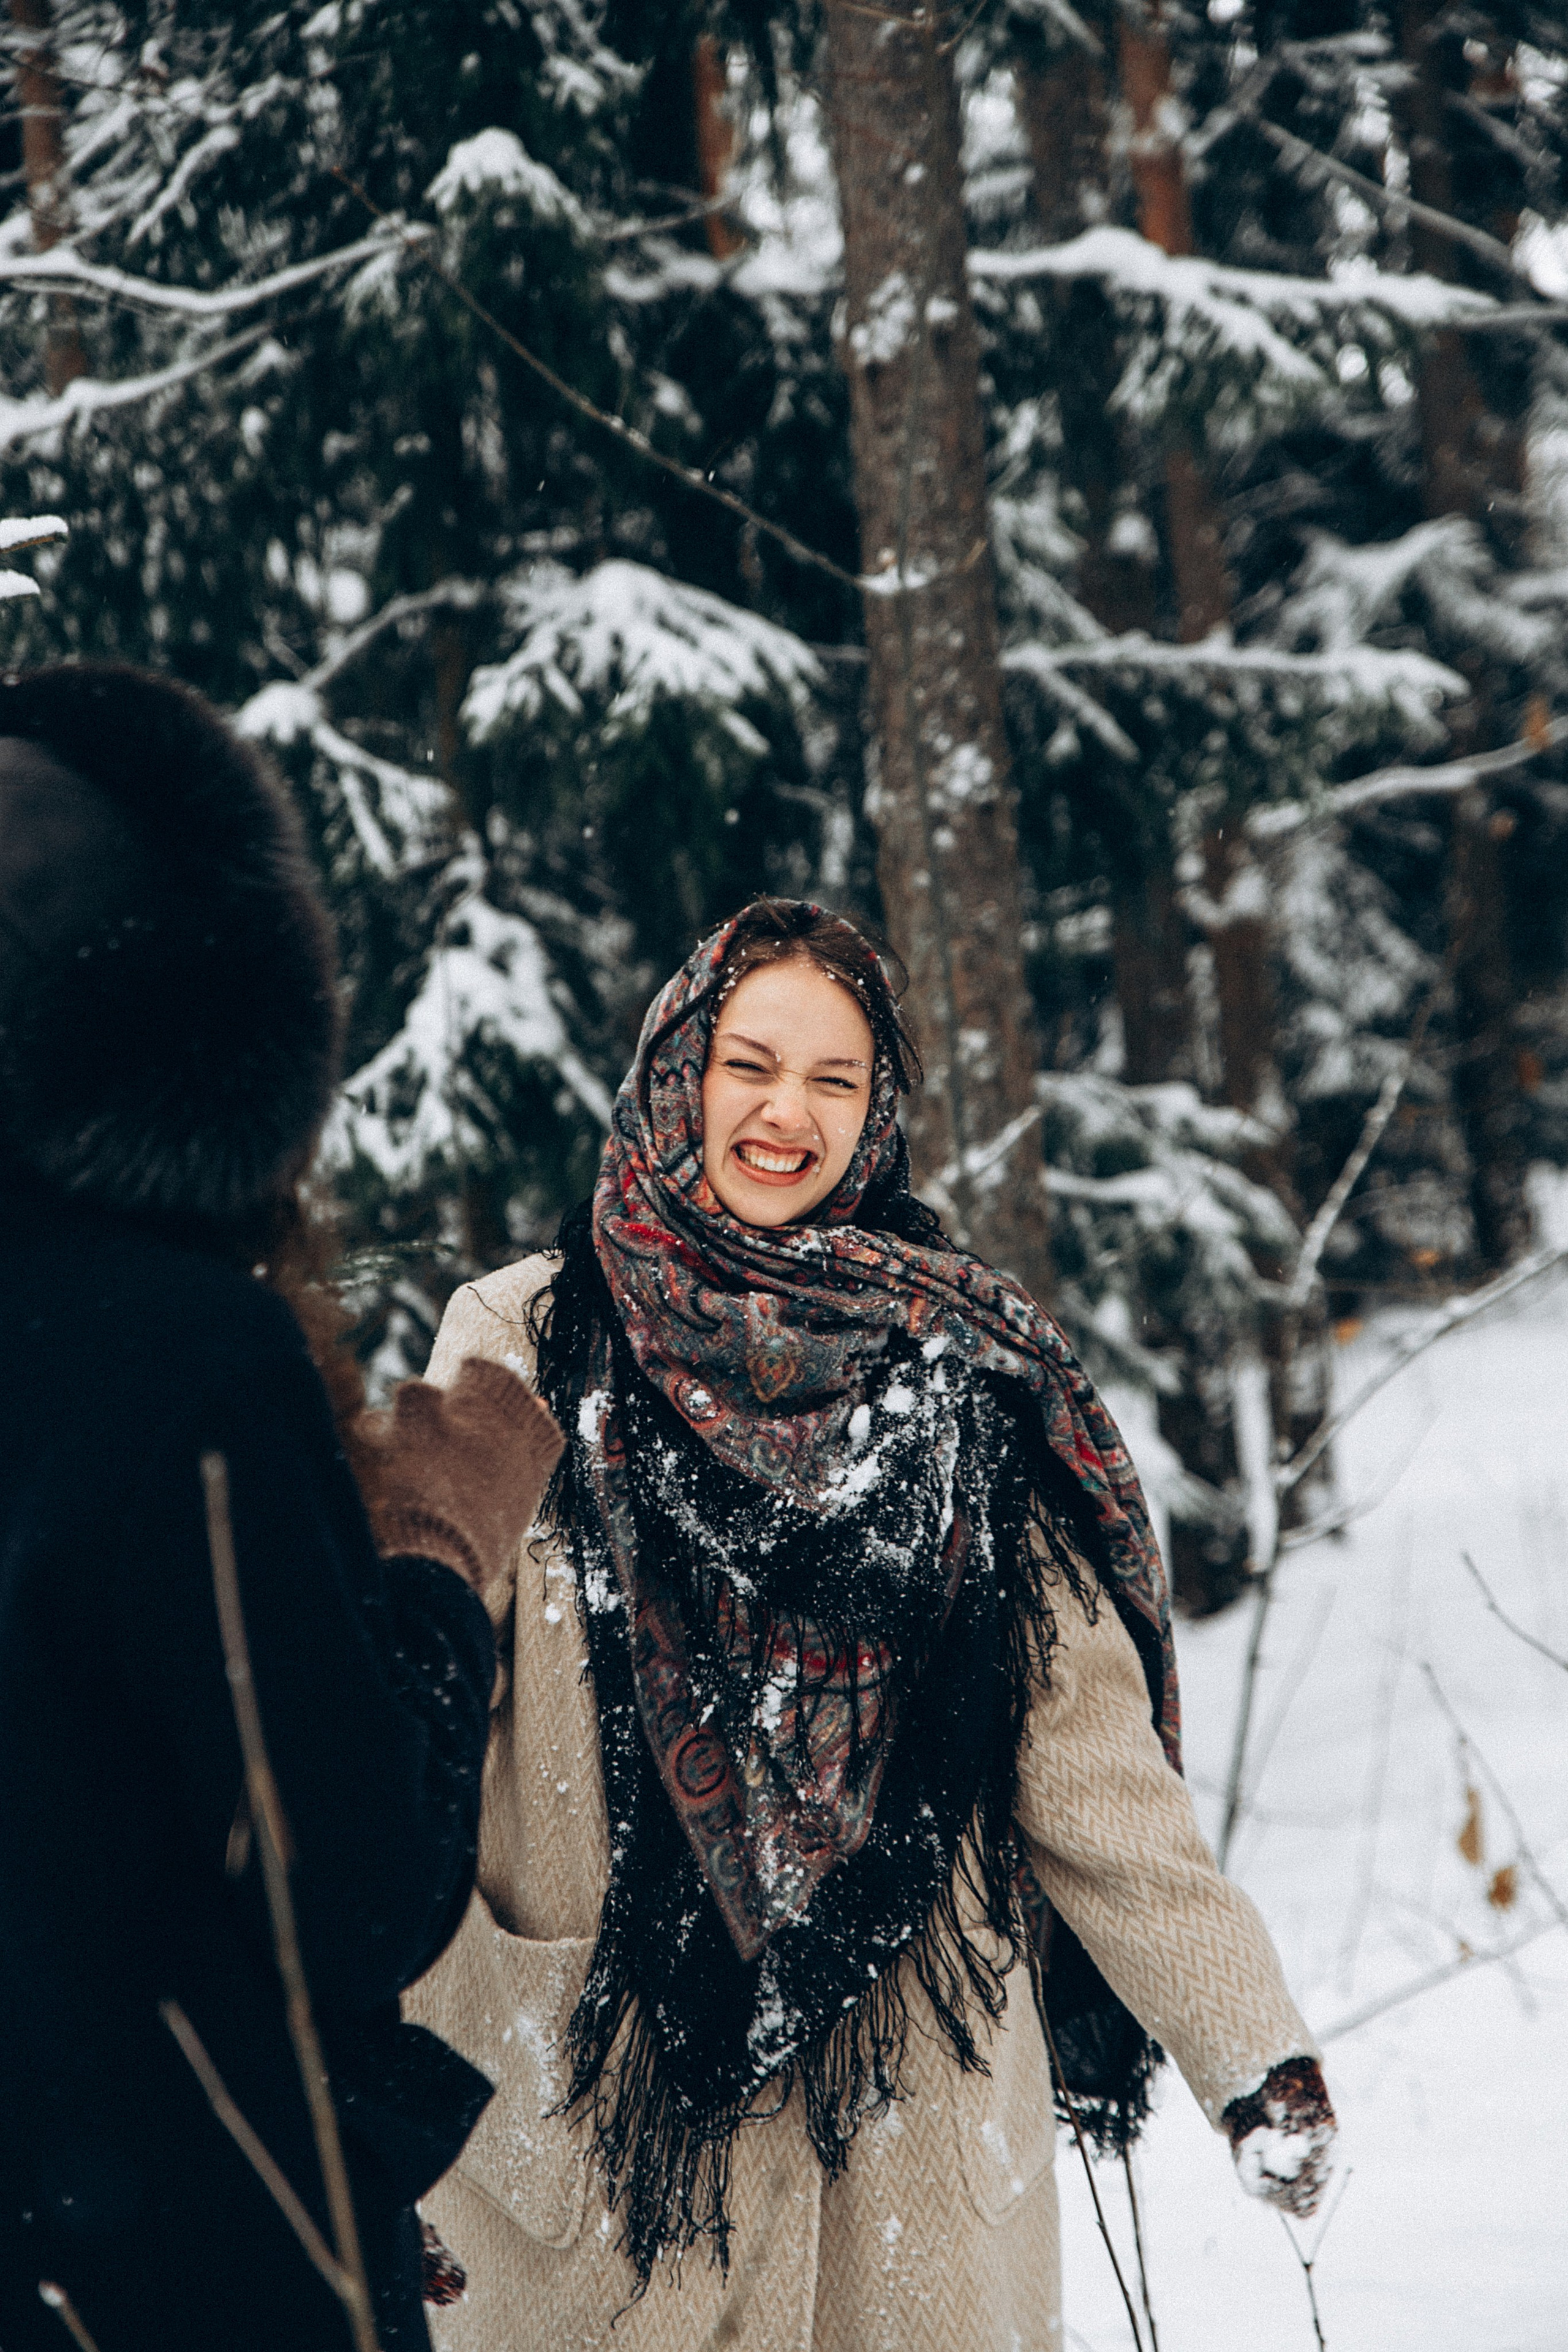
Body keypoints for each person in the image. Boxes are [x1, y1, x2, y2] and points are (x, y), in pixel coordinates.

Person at [407, 898, 1336, 2351]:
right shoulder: (529, 1342)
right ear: (677, 1076)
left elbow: (1087, 1767)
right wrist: (366, 2068)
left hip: (907, 2138)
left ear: (880, 1112)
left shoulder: (961, 1371)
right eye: (749, 1066)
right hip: (609, 2138)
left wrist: (1249, 2047)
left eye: (833, 1082)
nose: (787, 1115)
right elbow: (409, 1715)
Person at [0, 664, 562, 2352]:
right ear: (213, 1018)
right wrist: (439, 1550)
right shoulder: (183, 1358)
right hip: (173, 2262)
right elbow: (351, 1892)